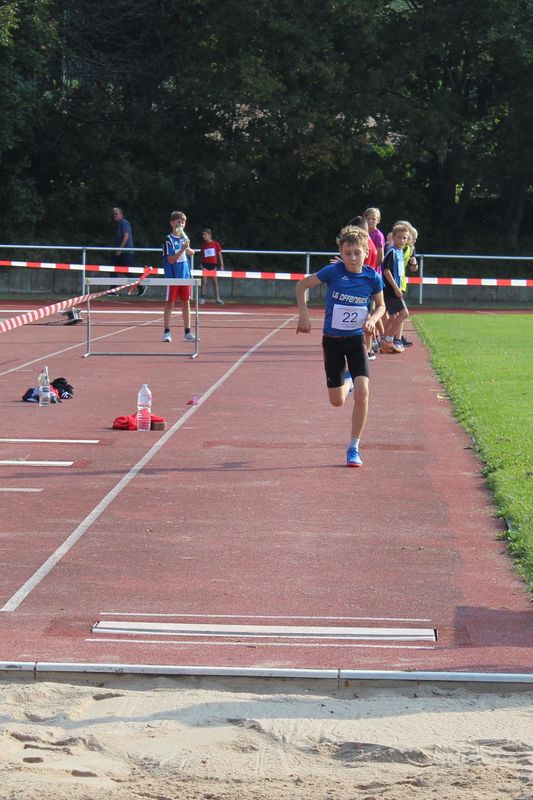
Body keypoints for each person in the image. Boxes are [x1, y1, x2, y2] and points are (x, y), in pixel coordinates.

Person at [296, 226, 385, 468]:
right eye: (348, 253)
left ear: (366, 253)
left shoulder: (372, 277)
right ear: (341, 253)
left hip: (356, 340)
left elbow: (381, 306)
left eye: (357, 253)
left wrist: (373, 319)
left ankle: (353, 447)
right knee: (337, 401)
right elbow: (302, 285)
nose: (353, 258)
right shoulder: (333, 272)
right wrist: (304, 315)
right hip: (332, 341)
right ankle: (347, 381)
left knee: (364, 390)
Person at [161, 210, 198, 343]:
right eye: (178, 222)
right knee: (170, 303)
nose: (180, 225)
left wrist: (190, 251)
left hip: (185, 276)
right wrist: (182, 249)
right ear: (172, 223)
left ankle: (187, 332)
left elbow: (188, 252)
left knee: (186, 303)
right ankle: (166, 332)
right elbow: (171, 260)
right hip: (173, 277)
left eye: (183, 223)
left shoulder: (184, 238)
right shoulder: (168, 240)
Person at [380, 222, 410, 354]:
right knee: (404, 313)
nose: (402, 240)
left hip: (396, 288)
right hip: (390, 289)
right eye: (399, 237)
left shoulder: (400, 252)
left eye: (405, 238)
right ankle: (388, 339)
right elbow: (386, 270)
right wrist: (396, 288)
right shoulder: (391, 252)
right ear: (393, 237)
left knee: (393, 317)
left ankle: (384, 342)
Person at [112, 207, 145, 296]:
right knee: (113, 268)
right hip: (121, 252)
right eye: (113, 214)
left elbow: (126, 236)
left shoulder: (124, 223)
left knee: (128, 271)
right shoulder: (118, 224)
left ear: (121, 214)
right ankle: (113, 290)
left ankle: (141, 285)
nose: (115, 215)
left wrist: (120, 249)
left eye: (116, 213)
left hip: (126, 252)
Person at [199, 228, 225, 304]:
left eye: (205, 235)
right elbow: (202, 256)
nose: (203, 236)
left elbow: (219, 255)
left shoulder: (215, 244)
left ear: (209, 235)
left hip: (213, 266)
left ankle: (217, 298)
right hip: (205, 266)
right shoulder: (203, 245)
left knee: (215, 282)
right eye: (203, 235)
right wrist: (201, 264)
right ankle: (202, 298)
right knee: (203, 281)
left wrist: (221, 265)